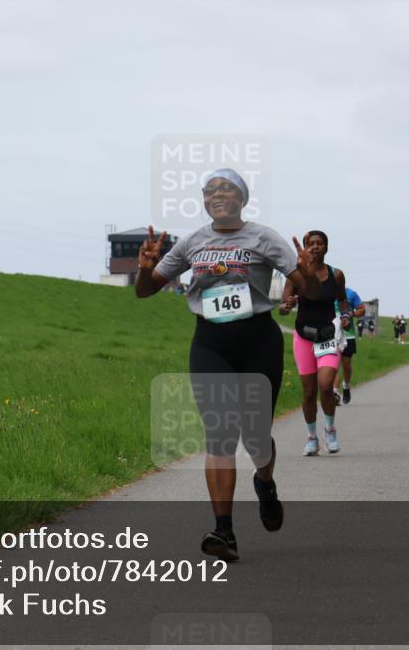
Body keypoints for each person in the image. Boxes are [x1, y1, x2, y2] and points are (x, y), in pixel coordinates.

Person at [136, 168, 320, 562]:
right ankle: (224, 531)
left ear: (242, 198)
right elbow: (146, 289)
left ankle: (265, 485)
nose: (218, 194)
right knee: (219, 434)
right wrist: (145, 269)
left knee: (255, 437)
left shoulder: (263, 237)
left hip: (258, 342)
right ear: (204, 200)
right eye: (210, 190)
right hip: (210, 343)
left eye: (227, 188)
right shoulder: (193, 242)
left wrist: (307, 275)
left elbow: (310, 290)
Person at [279, 231, 346, 456]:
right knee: (309, 392)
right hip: (304, 336)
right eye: (311, 244)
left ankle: (330, 430)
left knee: (326, 386)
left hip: (328, 336)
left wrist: (346, 315)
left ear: (327, 248)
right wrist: (286, 305)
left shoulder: (336, 275)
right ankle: (311, 437)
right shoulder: (295, 275)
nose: (315, 247)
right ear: (305, 248)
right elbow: (283, 306)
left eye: (320, 243)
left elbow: (343, 301)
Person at [333, 287, 365, 405]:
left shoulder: (351, 294)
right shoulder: (327, 291)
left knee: (346, 365)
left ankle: (346, 386)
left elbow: (362, 310)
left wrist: (351, 313)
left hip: (348, 335)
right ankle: (335, 392)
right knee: (334, 365)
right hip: (332, 335)